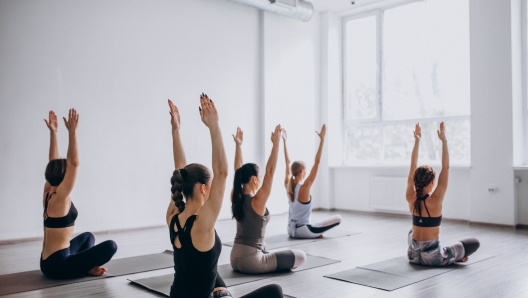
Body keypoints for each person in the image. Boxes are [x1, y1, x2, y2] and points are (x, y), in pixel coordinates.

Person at [166, 96, 283, 298]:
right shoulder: (202, 225)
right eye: (210, 185)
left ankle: (223, 292)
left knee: (206, 266)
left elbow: (179, 168)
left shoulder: (173, 217)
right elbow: (221, 172)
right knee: (275, 291)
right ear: (203, 188)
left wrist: (176, 131)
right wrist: (214, 126)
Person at [40, 109, 117, 279]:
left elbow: (53, 163)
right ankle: (84, 268)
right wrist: (72, 132)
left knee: (87, 237)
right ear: (64, 176)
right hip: (58, 265)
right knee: (111, 246)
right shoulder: (60, 198)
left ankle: (84, 267)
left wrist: (53, 132)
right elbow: (74, 163)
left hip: (48, 261)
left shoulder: (48, 192)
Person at [230, 126, 306, 274]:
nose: (260, 179)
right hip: (252, 262)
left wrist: (238, 145)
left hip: (234, 259)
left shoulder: (236, 197)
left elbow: (237, 171)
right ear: (253, 179)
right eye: (258, 177)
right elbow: (270, 172)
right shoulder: (257, 201)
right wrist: (275, 144)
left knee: (264, 245)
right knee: (301, 256)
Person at [406, 122, 479, 266]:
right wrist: (444, 140)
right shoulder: (436, 199)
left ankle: (452, 255)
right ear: (433, 182)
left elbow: (412, 166)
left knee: (411, 231)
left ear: (414, 180)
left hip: (412, 256)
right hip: (433, 258)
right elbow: (446, 167)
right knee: (474, 243)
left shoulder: (410, 198)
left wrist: (417, 140)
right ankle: (454, 257)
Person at [282, 125, 342, 239]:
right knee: (338, 218)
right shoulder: (304, 187)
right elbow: (317, 162)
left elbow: (287, 162)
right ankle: (313, 233)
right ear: (302, 172)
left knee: (314, 224)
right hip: (303, 231)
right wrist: (322, 140)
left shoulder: (288, 185)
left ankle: (313, 232)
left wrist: (284, 141)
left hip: (290, 229)